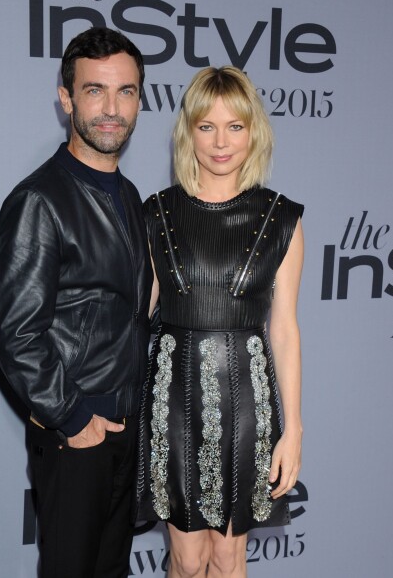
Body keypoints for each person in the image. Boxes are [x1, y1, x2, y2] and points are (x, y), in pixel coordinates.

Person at [0, 27, 152, 578]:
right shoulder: (40, 199)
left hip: (125, 432)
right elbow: (16, 333)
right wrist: (72, 415)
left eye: (126, 91)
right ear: (66, 99)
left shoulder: (128, 195)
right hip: (76, 434)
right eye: (94, 90)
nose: (112, 108)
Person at [135, 66, 304, 577]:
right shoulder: (157, 214)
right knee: (187, 559)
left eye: (235, 126)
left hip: (246, 403)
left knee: (229, 557)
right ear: (188, 132)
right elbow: (137, 318)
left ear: (254, 131)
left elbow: (285, 331)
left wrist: (292, 429)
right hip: (172, 401)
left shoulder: (282, 218)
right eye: (206, 126)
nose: (221, 141)